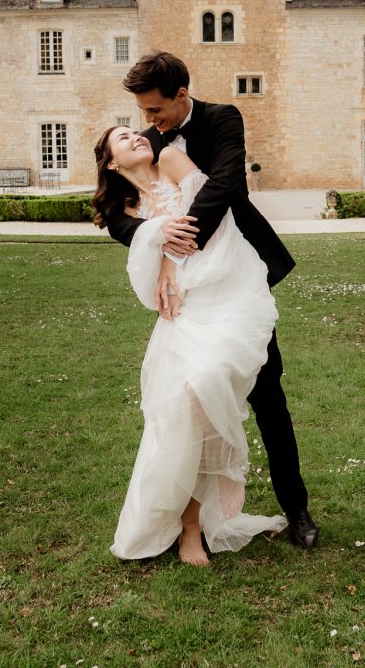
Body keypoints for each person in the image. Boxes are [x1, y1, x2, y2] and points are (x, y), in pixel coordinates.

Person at [105, 51, 318, 550]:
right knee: (191, 400)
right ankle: (188, 522)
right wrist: (158, 238)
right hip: (194, 293)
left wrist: (176, 243)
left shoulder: (224, 117)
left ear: (181, 95)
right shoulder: (149, 145)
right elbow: (118, 218)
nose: (149, 123)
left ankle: (297, 509)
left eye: (155, 111)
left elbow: (225, 184)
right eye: (143, 114)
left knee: (269, 396)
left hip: (238, 276)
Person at [93, 126, 288, 564]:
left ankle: (195, 520)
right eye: (123, 139)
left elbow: (207, 212)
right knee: (183, 408)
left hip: (230, 290)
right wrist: (159, 243)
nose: (136, 136)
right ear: (111, 163)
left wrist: (166, 256)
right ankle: (188, 526)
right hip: (186, 310)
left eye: (135, 131)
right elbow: (142, 240)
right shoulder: (125, 209)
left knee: (208, 384)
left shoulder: (173, 162)